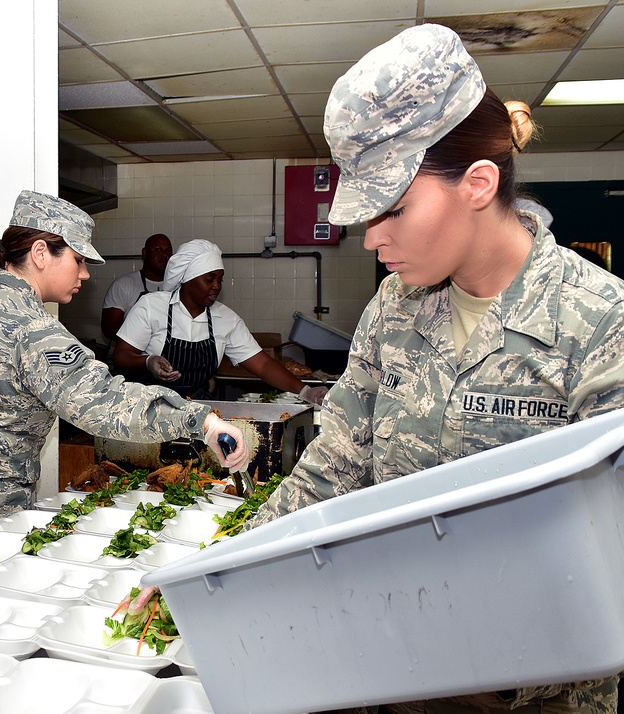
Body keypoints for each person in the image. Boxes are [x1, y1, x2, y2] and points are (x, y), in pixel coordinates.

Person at [247, 24, 624, 714]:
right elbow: (335, 463)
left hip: (536, 689)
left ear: (478, 184)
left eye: (392, 209)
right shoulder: (395, 306)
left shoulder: (601, 322)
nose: (372, 238)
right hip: (396, 668)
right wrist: (220, 572)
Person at [0, 190, 249, 576]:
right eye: (78, 259)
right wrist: (202, 422)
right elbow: (107, 404)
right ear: (41, 254)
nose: (85, 274)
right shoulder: (35, 330)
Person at [113, 239, 327, 404]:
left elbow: (262, 364)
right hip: (149, 409)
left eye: (219, 279)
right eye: (209, 279)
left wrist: (304, 391)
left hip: (196, 411)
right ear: (187, 278)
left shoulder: (226, 319)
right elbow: (121, 356)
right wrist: (147, 361)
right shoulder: (152, 306)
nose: (216, 286)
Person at [101, 233, 173, 340]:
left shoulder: (178, 285)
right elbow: (109, 328)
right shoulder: (124, 285)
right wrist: (140, 342)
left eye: (168, 251)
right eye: (157, 249)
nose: (164, 255)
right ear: (144, 253)